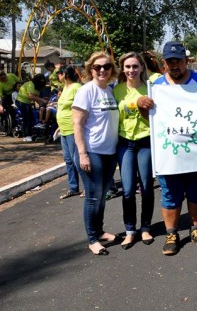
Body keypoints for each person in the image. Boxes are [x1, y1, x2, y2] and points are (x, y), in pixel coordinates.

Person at [137, 41, 197, 255]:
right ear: (163, 63)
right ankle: (171, 233)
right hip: (169, 152)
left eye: (178, 61)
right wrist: (142, 106)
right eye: (170, 61)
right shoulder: (157, 86)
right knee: (170, 195)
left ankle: (196, 230)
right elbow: (150, 119)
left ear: (186, 61)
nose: (174, 66)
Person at [72, 52, 120, 255]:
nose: (102, 70)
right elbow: (77, 124)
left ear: (112, 70)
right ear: (90, 69)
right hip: (92, 152)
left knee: (102, 196)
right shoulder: (86, 91)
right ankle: (92, 239)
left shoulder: (110, 90)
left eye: (106, 66)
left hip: (109, 153)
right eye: (97, 67)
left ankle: (99, 231)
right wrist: (82, 154)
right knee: (93, 197)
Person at [113, 52, 155, 250]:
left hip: (145, 141)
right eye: (128, 67)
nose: (131, 70)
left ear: (142, 68)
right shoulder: (116, 90)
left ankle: (145, 227)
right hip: (125, 143)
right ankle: (130, 230)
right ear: (122, 69)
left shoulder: (151, 89)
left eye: (135, 66)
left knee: (146, 188)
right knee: (128, 190)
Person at [56, 66, 83, 199]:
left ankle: (88, 186)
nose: (57, 76)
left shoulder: (76, 87)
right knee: (68, 160)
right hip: (64, 129)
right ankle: (73, 188)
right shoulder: (64, 88)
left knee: (77, 159)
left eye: (59, 74)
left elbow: (82, 107)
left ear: (65, 74)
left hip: (73, 129)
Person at [15, 73, 47, 142]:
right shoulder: (31, 84)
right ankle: (26, 135)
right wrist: (42, 100)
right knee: (27, 118)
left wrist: (42, 104)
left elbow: (36, 98)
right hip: (21, 101)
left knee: (32, 118)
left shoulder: (38, 88)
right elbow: (31, 96)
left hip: (27, 102)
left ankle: (30, 133)